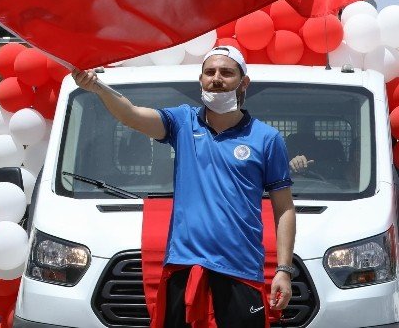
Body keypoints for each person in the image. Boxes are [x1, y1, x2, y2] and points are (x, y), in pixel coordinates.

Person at [72, 46, 296, 327]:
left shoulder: (267, 138)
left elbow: (284, 208)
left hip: (241, 266)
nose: (217, 78)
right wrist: (98, 88)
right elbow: (131, 115)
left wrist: (283, 270)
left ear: (243, 82)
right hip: (184, 265)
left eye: (226, 73)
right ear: (200, 79)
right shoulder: (181, 122)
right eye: (209, 72)